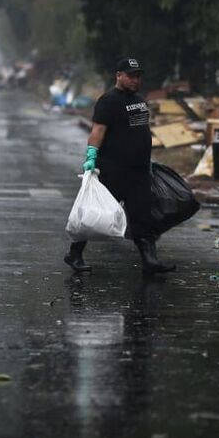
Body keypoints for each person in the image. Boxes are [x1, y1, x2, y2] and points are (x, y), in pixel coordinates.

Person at [65, 57, 175, 275]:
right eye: (131, 76)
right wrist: (91, 155)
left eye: (138, 76)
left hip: (139, 171)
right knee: (96, 214)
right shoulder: (108, 101)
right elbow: (97, 131)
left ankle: (150, 261)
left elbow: (140, 131)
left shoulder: (140, 100)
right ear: (119, 75)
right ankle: (74, 253)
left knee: (142, 216)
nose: (136, 80)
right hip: (114, 170)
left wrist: (147, 161)